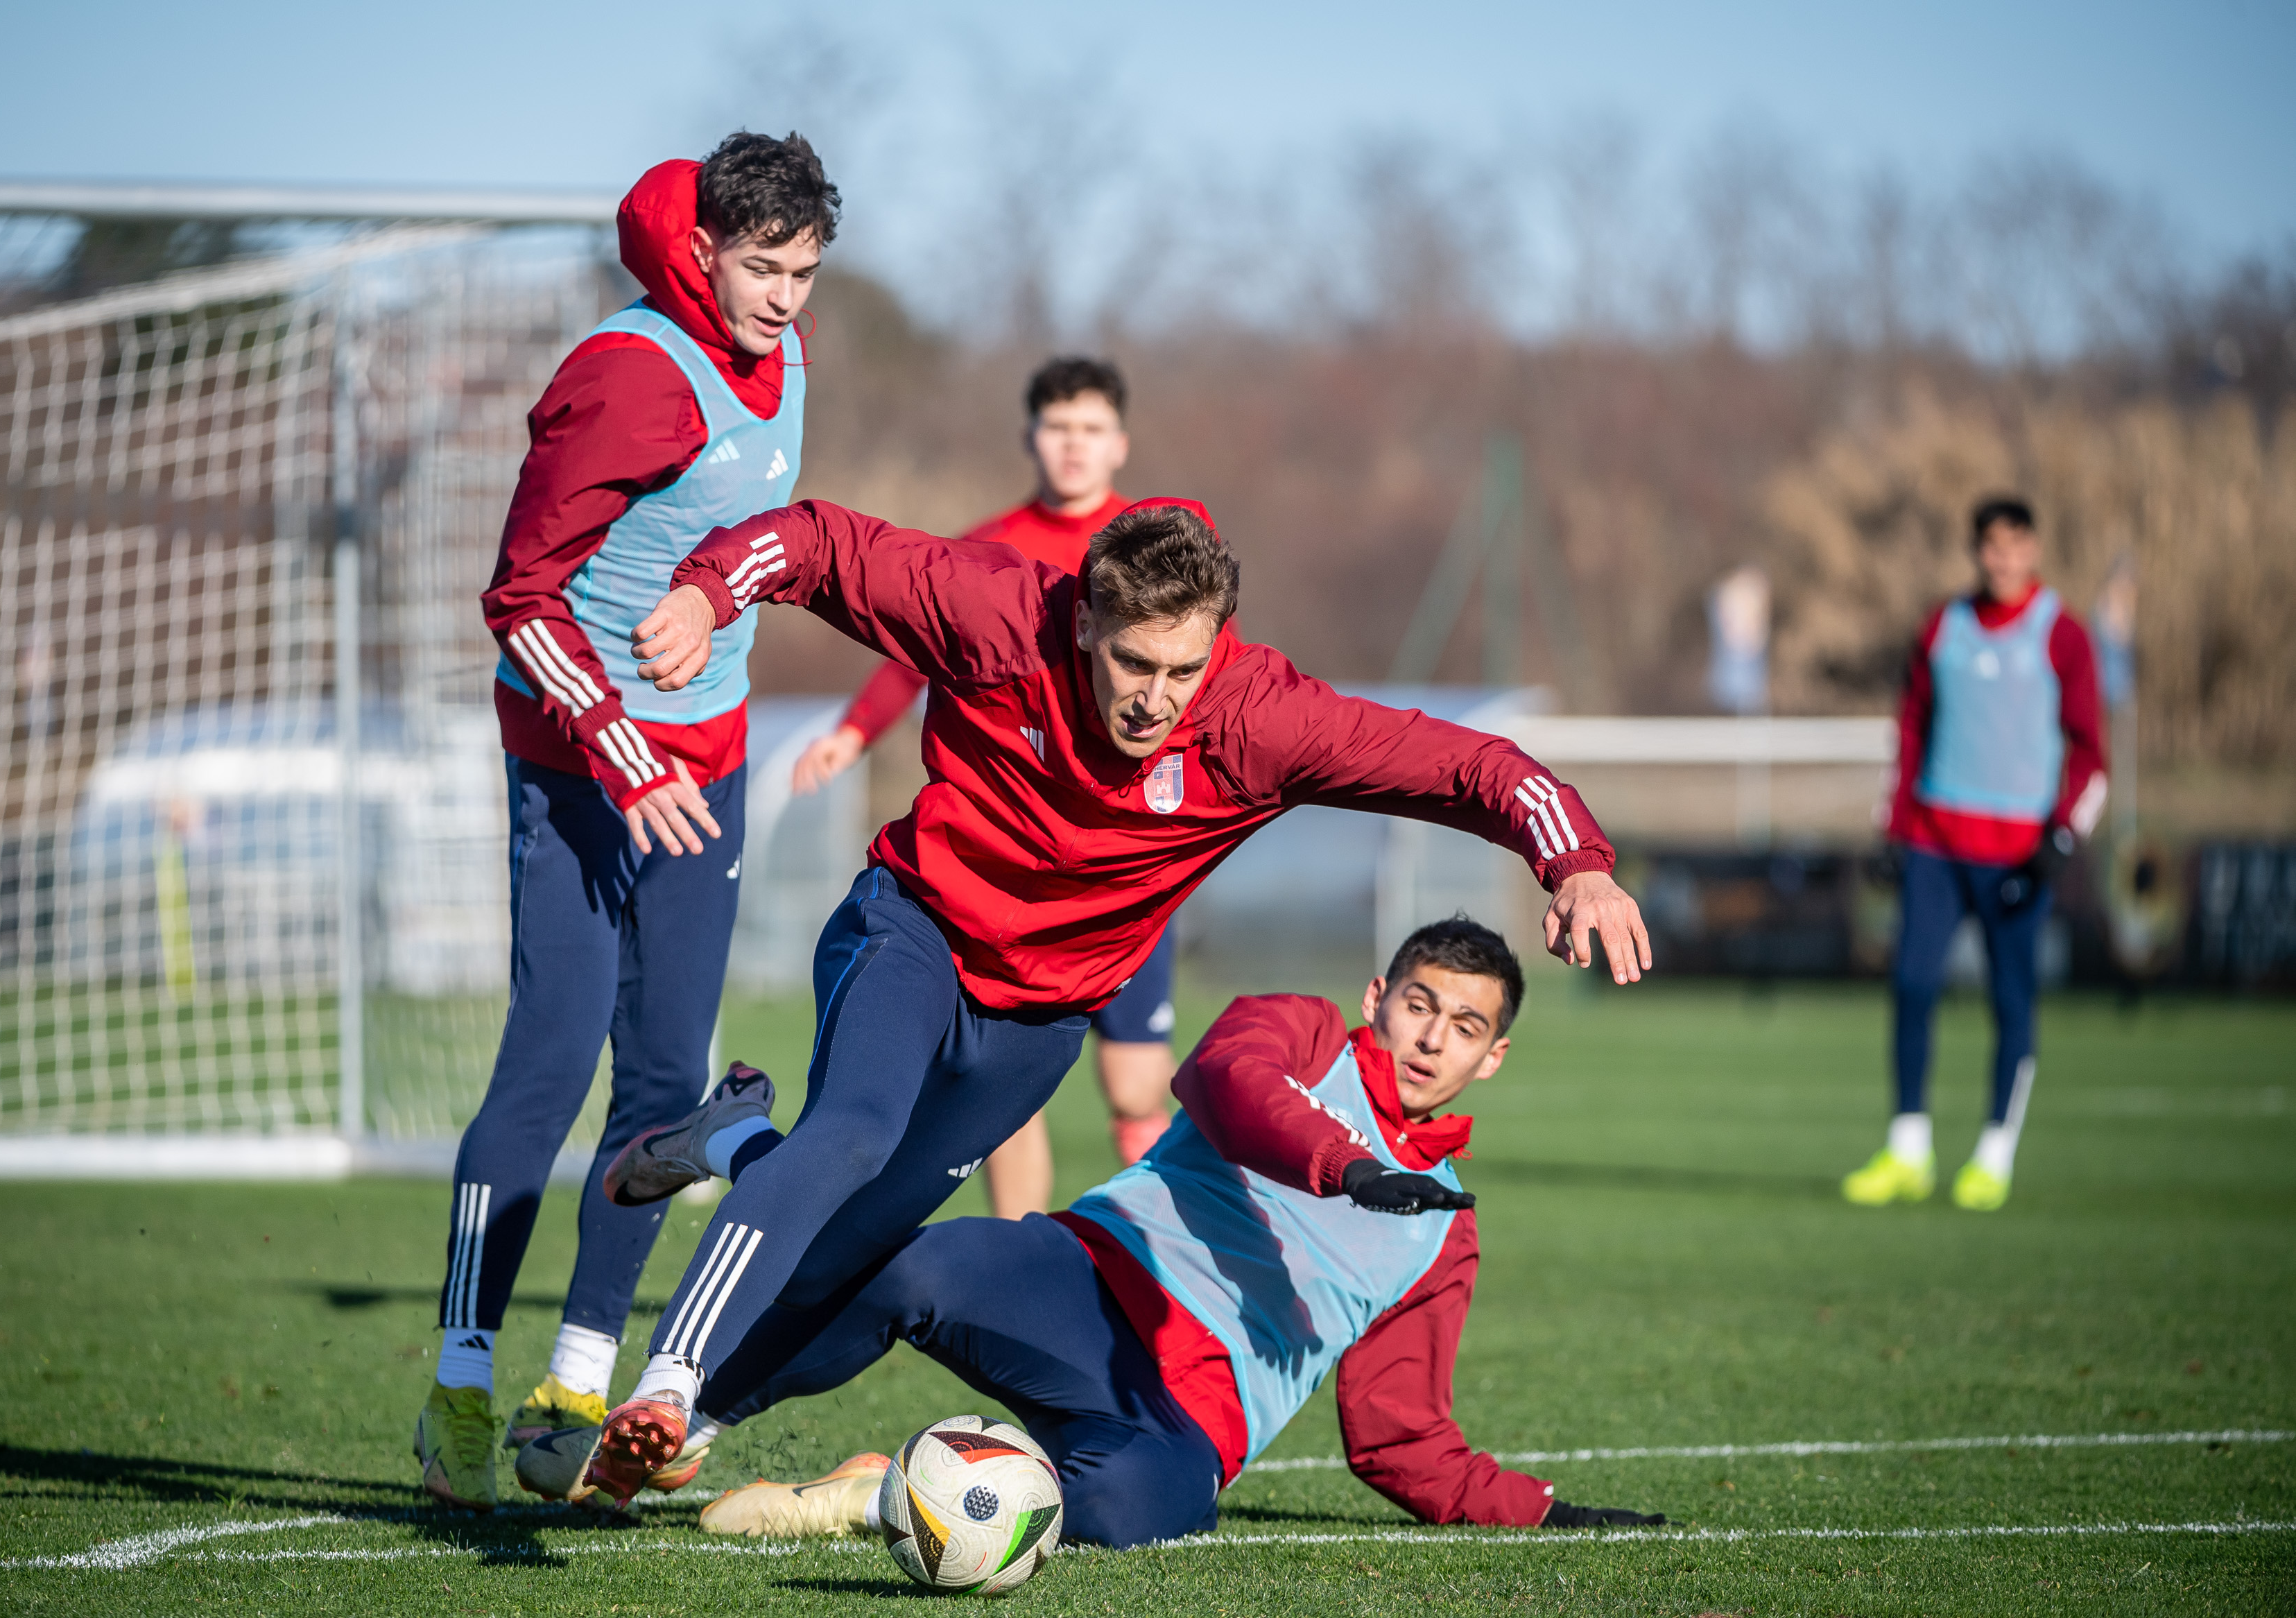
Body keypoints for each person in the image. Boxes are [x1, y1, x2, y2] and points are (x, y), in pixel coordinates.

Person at [562, 494, 1653, 1504]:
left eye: (1183, 668)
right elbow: (818, 544)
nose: (1155, 697)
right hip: (916, 933)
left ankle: (727, 1178)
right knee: (851, 1134)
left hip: (1039, 1024)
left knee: (853, 1242)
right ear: (1085, 620)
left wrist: (1577, 864)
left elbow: (1470, 767)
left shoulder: (1261, 719)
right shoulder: (997, 614)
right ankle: (668, 1384)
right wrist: (708, 591)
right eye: (1133, 660)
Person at [560, 918, 1666, 1544]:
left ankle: (880, 1491)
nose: (1430, 1038)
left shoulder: (1443, 1230)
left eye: (1464, 1026)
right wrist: (1345, 1165)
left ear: (1492, 1057)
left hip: (1189, 1419)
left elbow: (1400, 1433)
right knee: (915, 1262)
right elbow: (1224, 1084)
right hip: (1086, 1282)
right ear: (1380, 994)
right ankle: (694, 1414)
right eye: (1419, 1004)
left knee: (1148, 1508)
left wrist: (1548, 1510)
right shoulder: (1305, 1032)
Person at [411, 132, 840, 1512]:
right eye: (761, 267)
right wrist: (616, 746)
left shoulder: (786, 352)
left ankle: (578, 1379)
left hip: (705, 761)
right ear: (702, 249)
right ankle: (458, 1381)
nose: (783, 296)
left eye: (805, 271)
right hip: (579, 756)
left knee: (664, 1083)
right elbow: (518, 597)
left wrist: (710, 609)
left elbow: (746, 540)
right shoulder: (629, 373)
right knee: (549, 1062)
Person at [792, 354, 1176, 1216]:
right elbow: (914, 644)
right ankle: (1014, 1244)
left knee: (1135, 1088)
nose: (1072, 445)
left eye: (1090, 429)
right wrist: (854, 731)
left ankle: (1153, 1258)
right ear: (1030, 437)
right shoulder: (990, 548)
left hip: (1126, 858)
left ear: (1118, 443)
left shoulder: (1156, 550)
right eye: (1057, 427)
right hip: (1018, 858)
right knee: (1003, 1078)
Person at [1844, 496, 2106, 1213]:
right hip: (1934, 842)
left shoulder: (2062, 635)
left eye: (2015, 545)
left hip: (2017, 852)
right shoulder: (1943, 628)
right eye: (1991, 545)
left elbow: (2089, 751)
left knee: (2011, 999)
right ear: (1976, 550)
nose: (2003, 559)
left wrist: (2064, 833)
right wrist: (1893, 827)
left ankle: (1994, 1152)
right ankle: (1908, 1147)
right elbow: (1910, 729)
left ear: (2034, 549)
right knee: (1912, 983)